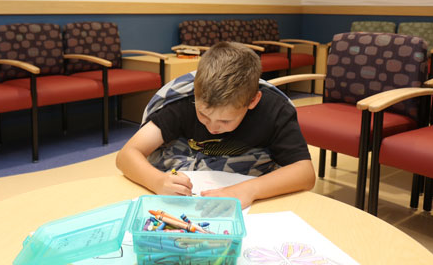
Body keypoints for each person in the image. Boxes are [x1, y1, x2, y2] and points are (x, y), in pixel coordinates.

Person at [116, 41, 315, 209]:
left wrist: (250, 189)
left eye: (225, 121)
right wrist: (158, 181)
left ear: (253, 101)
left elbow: (305, 173)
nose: (212, 127)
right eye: (203, 115)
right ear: (195, 93)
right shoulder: (183, 103)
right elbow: (127, 155)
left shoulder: (274, 109)